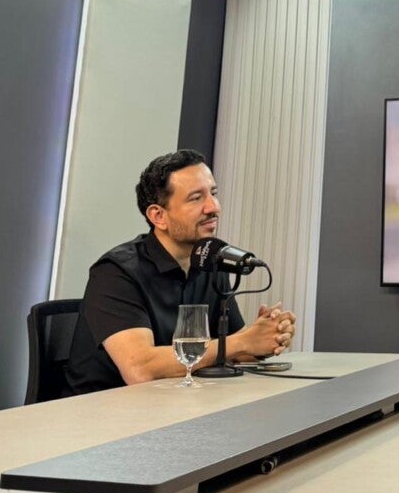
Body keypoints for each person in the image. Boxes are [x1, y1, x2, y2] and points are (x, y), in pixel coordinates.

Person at [64, 149, 295, 394]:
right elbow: (141, 369)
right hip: (106, 409)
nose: (213, 207)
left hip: (178, 400)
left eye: (213, 194)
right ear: (158, 216)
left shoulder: (211, 262)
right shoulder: (115, 272)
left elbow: (233, 350)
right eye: (196, 198)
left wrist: (266, 336)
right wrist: (242, 342)